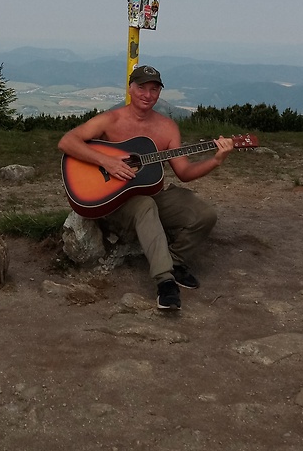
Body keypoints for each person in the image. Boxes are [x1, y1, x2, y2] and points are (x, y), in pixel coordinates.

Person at [58, 65, 235, 310]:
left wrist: (216, 160)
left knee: (204, 214)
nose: (147, 94)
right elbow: (67, 141)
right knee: (144, 205)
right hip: (114, 202)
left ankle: (174, 261)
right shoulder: (111, 120)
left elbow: (184, 173)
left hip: (150, 194)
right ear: (130, 88)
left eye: (154, 89)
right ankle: (165, 282)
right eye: (141, 87)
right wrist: (106, 161)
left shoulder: (167, 127)